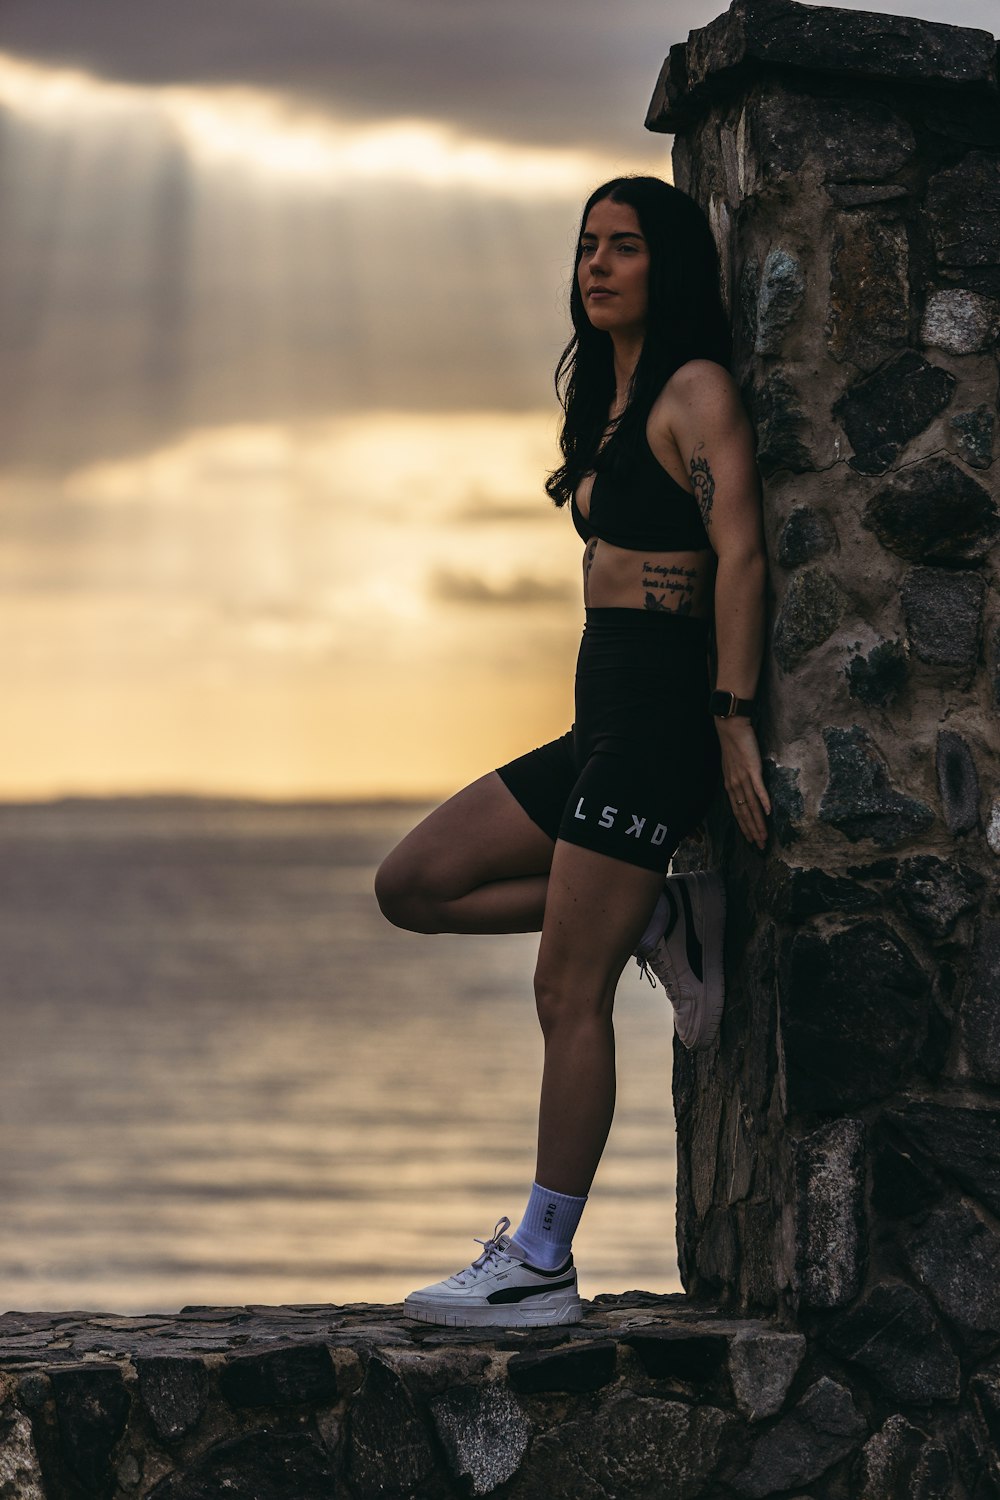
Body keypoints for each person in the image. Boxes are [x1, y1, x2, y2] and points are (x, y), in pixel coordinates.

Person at [375, 175, 769, 1328]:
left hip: (657, 733)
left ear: (671, 265)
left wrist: (732, 717)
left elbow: (738, 557)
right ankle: (646, 909)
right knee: (413, 883)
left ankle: (542, 1259)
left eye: (625, 247)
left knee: (565, 988)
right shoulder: (607, 395)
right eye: (587, 246)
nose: (597, 265)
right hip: (596, 729)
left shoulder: (694, 392)